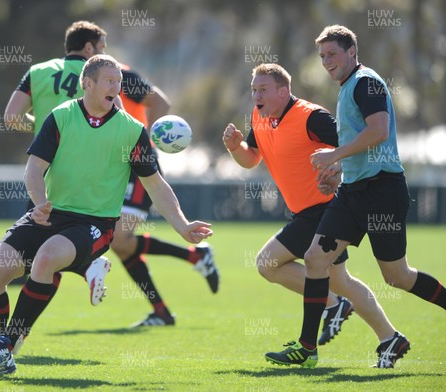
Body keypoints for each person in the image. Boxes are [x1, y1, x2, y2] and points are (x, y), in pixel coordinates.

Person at [0, 54, 213, 377]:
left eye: (119, 82)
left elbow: (156, 185)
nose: (117, 87)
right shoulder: (60, 117)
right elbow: (34, 169)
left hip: (94, 223)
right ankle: (1, 354)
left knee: (45, 260)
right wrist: (40, 202)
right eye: (110, 81)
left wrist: (182, 226)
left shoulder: (131, 131)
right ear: (88, 83)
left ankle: (5, 344)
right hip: (50, 213)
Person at [266, 25, 446, 369]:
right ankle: (307, 348)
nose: (326, 61)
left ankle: (393, 338)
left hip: (383, 192)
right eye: (322, 56)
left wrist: (333, 156)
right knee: (316, 259)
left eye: (332, 54)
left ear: (352, 52)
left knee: (398, 276)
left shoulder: (367, 82)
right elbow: (359, 143)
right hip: (353, 192)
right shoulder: (348, 85)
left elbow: (377, 131)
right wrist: (338, 171)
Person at [224, 63, 403, 368]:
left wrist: (337, 170)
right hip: (306, 211)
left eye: (263, 89)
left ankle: (332, 307)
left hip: (323, 207)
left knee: (267, 263)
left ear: (284, 91)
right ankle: (389, 337)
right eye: (254, 89)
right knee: (341, 280)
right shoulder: (259, 116)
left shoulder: (312, 117)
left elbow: (354, 145)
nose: (256, 95)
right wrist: (234, 147)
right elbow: (251, 159)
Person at [0, 21, 110, 372]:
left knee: (41, 258)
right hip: (83, 182)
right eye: (102, 45)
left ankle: (5, 346)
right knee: (40, 261)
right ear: (90, 48)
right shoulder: (104, 77)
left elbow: (10, 117)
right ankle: (4, 348)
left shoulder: (37, 70)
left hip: (43, 175)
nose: (104, 52)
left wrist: (40, 132)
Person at [114, 64, 219, 327]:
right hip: (112, 166)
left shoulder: (118, 74)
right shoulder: (88, 79)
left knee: (119, 238)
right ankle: (162, 309)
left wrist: (143, 143)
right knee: (121, 245)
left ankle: (195, 257)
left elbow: (160, 102)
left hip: (135, 166)